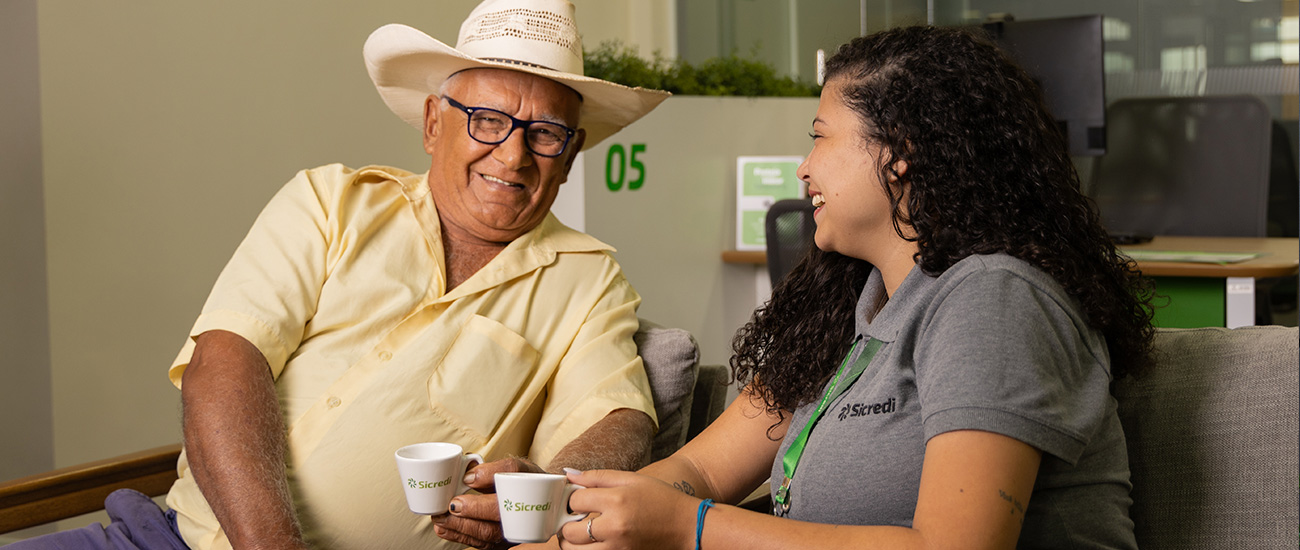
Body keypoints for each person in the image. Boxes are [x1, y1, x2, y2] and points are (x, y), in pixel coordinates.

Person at [8, 1, 670, 550]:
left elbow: (618, 419)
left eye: (545, 133)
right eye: (488, 120)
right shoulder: (328, 202)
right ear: (434, 124)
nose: (514, 154)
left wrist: (543, 494)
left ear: (570, 155)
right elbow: (225, 359)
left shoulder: (590, 280)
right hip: (170, 539)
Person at [550, 25, 1154, 550]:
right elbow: (701, 473)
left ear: (900, 152)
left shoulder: (993, 299)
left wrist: (694, 528)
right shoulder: (850, 304)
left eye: (820, 136)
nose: (803, 167)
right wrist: (563, 518)